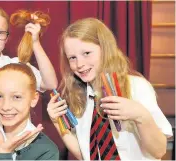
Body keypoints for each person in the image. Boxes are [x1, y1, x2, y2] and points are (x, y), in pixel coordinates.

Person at [47, 18, 173, 160]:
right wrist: (58, 122)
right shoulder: (80, 96)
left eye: (87, 53)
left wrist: (141, 115)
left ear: (105, 49)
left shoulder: (136, 86)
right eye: (72, 58)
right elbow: (85, 156)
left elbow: (159, 151)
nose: (79, 64)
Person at [0, 63, 59, 160]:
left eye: (16, 97)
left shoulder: (46, 150)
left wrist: (4, 153)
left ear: (33, 99)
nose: (6, 107)